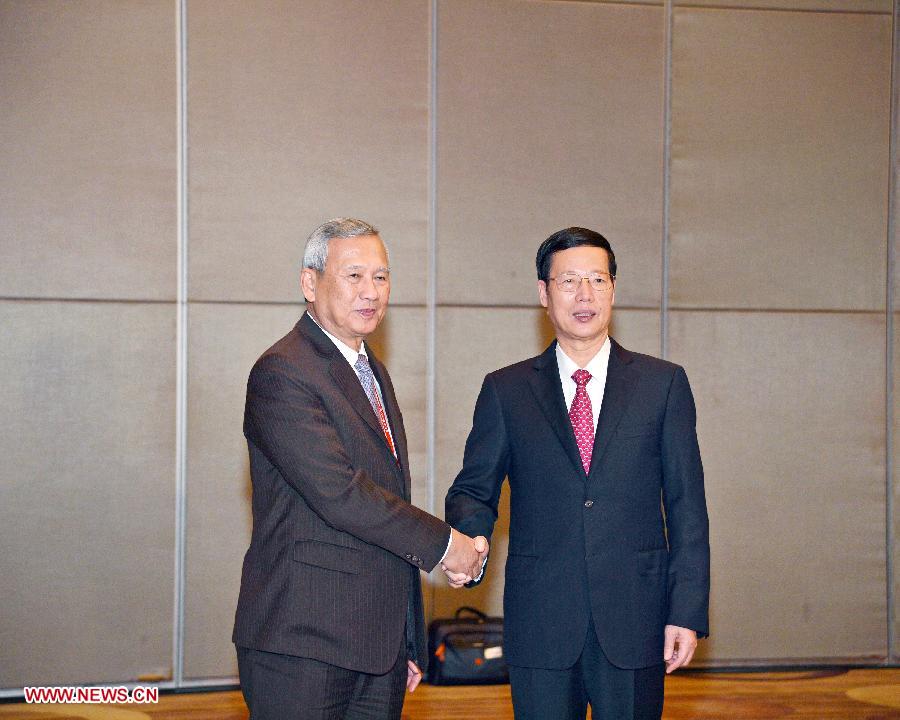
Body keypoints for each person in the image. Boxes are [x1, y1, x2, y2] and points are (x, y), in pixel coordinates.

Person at [443, 227, 710, 720]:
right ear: (544, 294)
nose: (584, 294)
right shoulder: (507, 390)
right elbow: (473, 489)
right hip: (541, 620)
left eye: (597, 279)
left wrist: (686, 610)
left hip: (636, 616)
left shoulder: (663, 384)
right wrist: (471, 537)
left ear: (613, 289)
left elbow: (687, 505)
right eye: (569, 282)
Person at [233, 218, 487, 720]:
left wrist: (406, 638)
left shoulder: (371, 370)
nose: (371, 291)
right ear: (310, 283)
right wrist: (446, 546)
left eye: (381, 276)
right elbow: (342, 494)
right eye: (354, 276)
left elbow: (387, 501)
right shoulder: (282, 371)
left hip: (376, 651)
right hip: (304, 644)